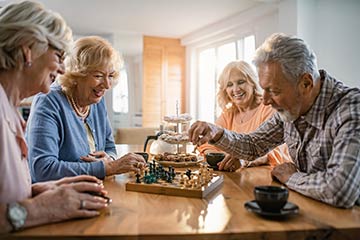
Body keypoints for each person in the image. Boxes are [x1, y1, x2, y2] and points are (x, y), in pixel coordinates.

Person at [189, 33, 360, 208]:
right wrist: (218, 133)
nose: (266, 101)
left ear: (306, 83)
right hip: (310, 208)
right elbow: (254, 145)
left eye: (274, 91)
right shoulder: (289, 110)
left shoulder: (352, 109)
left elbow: (340, 190)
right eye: (264, 90)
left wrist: (291, 177)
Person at [0, 1, 110, 233]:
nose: (62, 69)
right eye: (59, 56)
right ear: (27, 50)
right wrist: (39, 209)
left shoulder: (9, 108)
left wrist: (42, 190)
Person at [26, 36, 146, 182]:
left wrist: (110, 159)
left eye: (110, 75)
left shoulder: (96, 101)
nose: (107, 85)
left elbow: (109, 146)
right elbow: (42, 170)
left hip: (93, 188)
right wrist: (108, 168)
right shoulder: (48, 101)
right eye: (98, 75)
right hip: (56, 196)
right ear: (76, 75)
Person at [197, 60, 291, 171]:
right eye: (230, 84)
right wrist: (214, 155)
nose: (236, 89)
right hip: (237, 175)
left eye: (241, 82)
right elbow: (209, 143)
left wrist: (244, 159)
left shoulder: (269, 109)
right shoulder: (228, 114)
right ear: (225, 90)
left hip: (267, 175)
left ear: (252, 83)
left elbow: (275, 151)